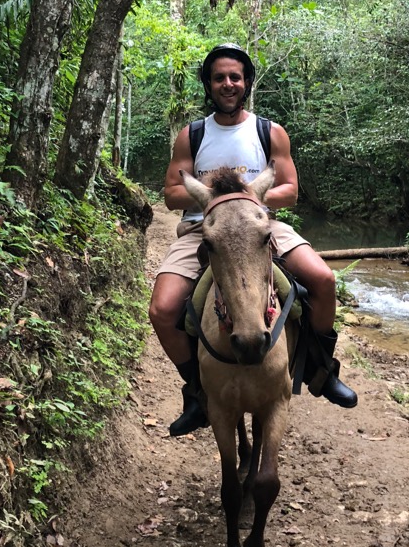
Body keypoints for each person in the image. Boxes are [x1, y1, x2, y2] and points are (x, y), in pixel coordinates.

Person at [148, 43, 358, 436]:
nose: (228, 84)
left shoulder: (270, 132)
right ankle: (197, 392)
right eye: (219, 78)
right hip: (203, 227)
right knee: (161, 310)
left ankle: (322, 370)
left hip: (262, 226)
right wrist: (217, 197)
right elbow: (173, 194)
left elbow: (291, 190)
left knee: (323, 280)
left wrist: (245, 197)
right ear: (208, 85)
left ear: (245, 84)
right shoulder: (191, 135)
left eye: (235, 77)